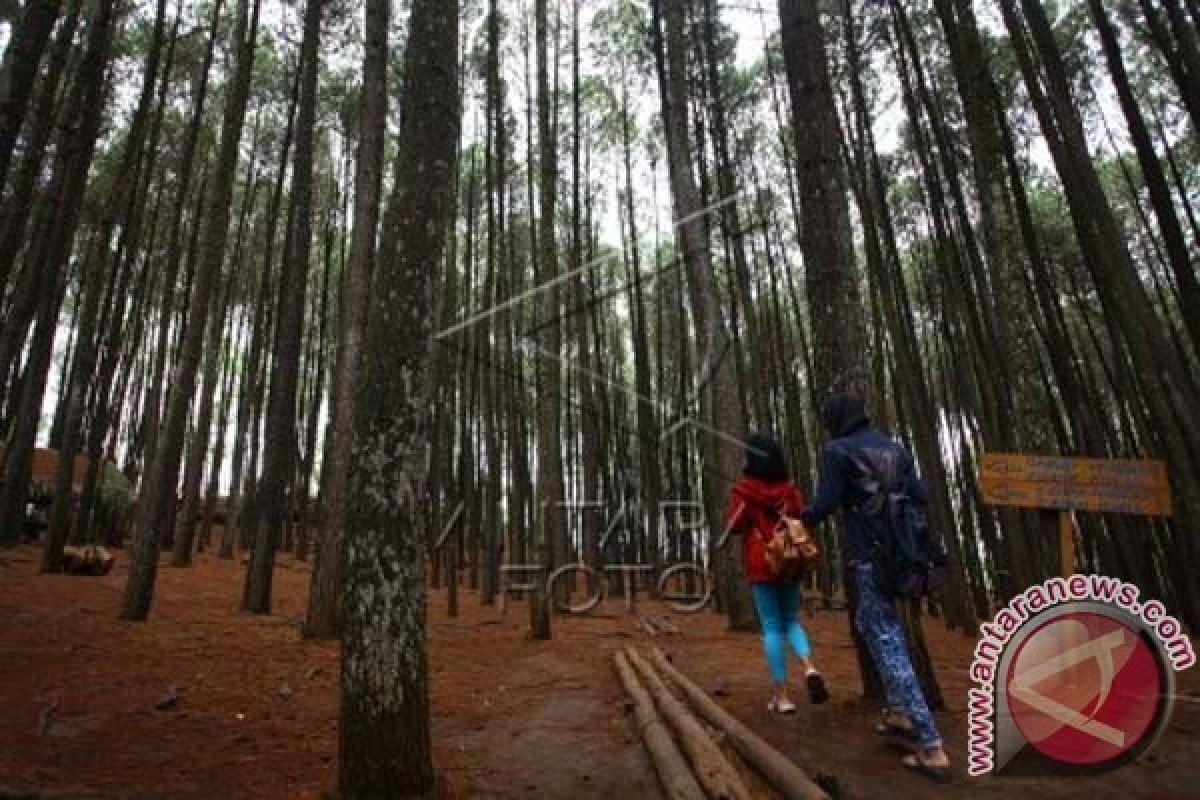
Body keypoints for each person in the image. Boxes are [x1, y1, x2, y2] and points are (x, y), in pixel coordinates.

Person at [799, 392, 951, 782]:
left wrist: (799, 515)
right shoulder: (895, 448)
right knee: (870, 625)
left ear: (836, 419)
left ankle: (931, 744)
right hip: (904, 556)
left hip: (869, 558)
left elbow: (823, 506)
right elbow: (921, 494)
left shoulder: (837, 450)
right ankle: (899, 713)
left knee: (886, 639)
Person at [726, 433, 830, 713]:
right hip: (790, 561)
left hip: (761, 562)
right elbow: (799, 516)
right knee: (791, 621)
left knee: (771, 626)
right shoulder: (789, 489)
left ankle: (782, 697)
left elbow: (734, 527)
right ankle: (809, 667)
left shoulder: (744, 489)